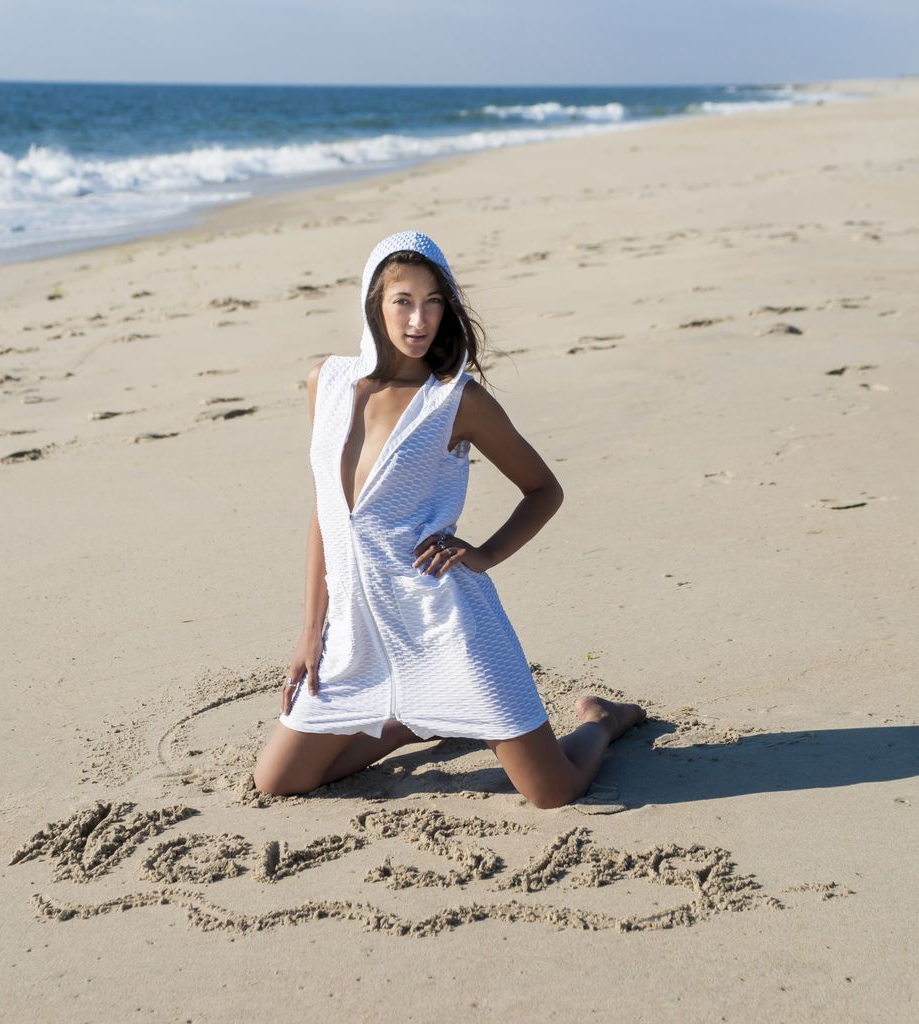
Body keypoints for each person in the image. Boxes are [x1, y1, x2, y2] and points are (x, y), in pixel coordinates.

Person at [252, 230, 645, 807]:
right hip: (356, 631)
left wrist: (483, 554)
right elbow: (326, 512)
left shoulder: (456, 401)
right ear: (373, 303)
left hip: (445, 624)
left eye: (434, 302)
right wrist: (312, 629)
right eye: (402, 301)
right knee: (278, 780)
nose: (419, 320)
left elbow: (543, 489)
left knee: (552, 792)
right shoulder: (329, 383)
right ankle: (414, 719)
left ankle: (602, 721)